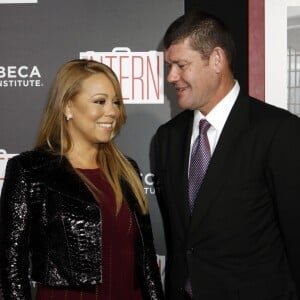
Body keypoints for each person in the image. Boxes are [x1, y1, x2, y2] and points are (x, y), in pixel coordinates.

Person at [152, 10, 300, 300]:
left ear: (216, 60)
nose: (171, 77)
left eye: (181, 65)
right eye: (170, 66)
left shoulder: (280, 132)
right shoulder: (167, 138)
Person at [0, 59, 164, 300]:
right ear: (67, 106)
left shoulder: (126, 170)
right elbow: (11, 268)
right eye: (100, 101)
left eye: (116, 102)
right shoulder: (30, 170)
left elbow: (147, 261)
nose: (113, 111)